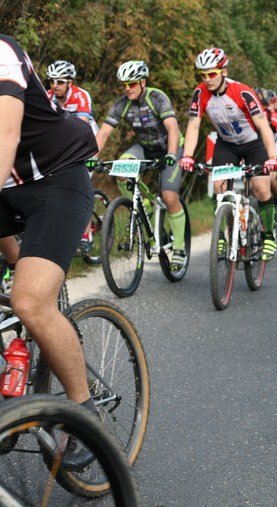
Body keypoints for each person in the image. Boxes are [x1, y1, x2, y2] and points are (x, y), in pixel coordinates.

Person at [0, 34, 98, 468]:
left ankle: (84, 414)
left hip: (56, 180)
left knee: (28, 300)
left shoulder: (1, 52)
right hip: (7, 194)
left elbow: (6, 135)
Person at [179, 48, 277, 260]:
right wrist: (187, 155)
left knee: (260, 188)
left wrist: (272, 158)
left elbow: (263, 126)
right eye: (203, 75)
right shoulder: (200, 93)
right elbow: (193, 126)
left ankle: (268, 235)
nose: (207, 79)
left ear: (223, 71)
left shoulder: (242, 92)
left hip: (253, 143)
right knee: (219, 187)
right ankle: (222, 236)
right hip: (227, 144)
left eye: (212, 74)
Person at [92, 60, 188, 270]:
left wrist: (172, 154)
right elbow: (104, 132)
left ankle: (179, 248)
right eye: (124, 84)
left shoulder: (156, 97)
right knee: (120, 170)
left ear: (143, 82)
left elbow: (172, 128)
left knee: (169, 196)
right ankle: (142, 205)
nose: (127, 88)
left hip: (170, 148)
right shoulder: (121, 103)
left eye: (132, 84)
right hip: (145, 148)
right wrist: (92, 156)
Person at [45, 60, 99, 255]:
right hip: (62, 144)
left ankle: (86, 235)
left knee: (80, 187)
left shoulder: (81, 95)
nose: (54, 86)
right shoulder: (47, 96)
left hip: (85, 142)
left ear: (69, 82)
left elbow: (82, 127)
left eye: (59, 82)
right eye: (51, 81)